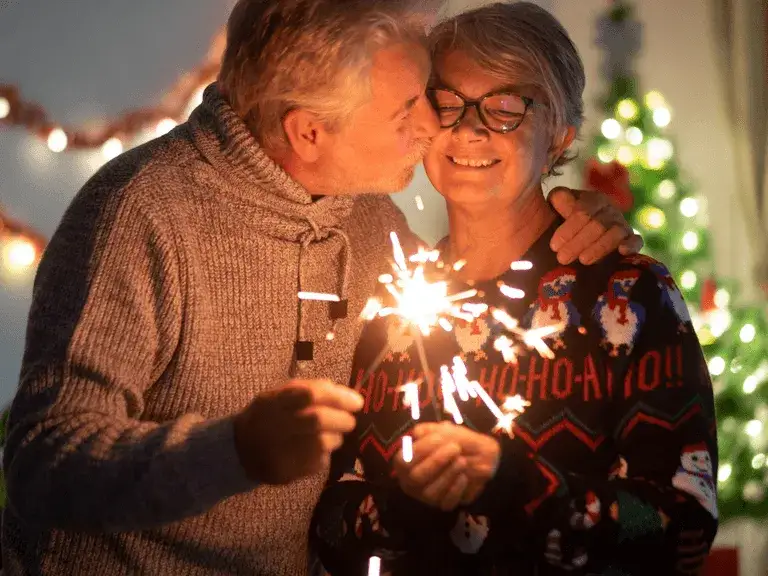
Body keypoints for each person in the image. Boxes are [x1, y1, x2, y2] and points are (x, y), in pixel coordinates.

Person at [2, 0, 640, 574]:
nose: (432, 126)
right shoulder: (138, 216)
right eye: (406, 108)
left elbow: (472, 289)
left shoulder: (368, 219)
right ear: (309, 131)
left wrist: (572, 214)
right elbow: (41, 462)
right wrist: (235, 450)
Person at [311, 3, 718, 575]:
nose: (471, 128)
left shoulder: (627, 293)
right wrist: (406, 500)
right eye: (449, 102)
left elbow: (684, 528)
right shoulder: (395, 302)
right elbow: (331, 525)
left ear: (559, 135)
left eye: (506, 106)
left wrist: (516, 481)